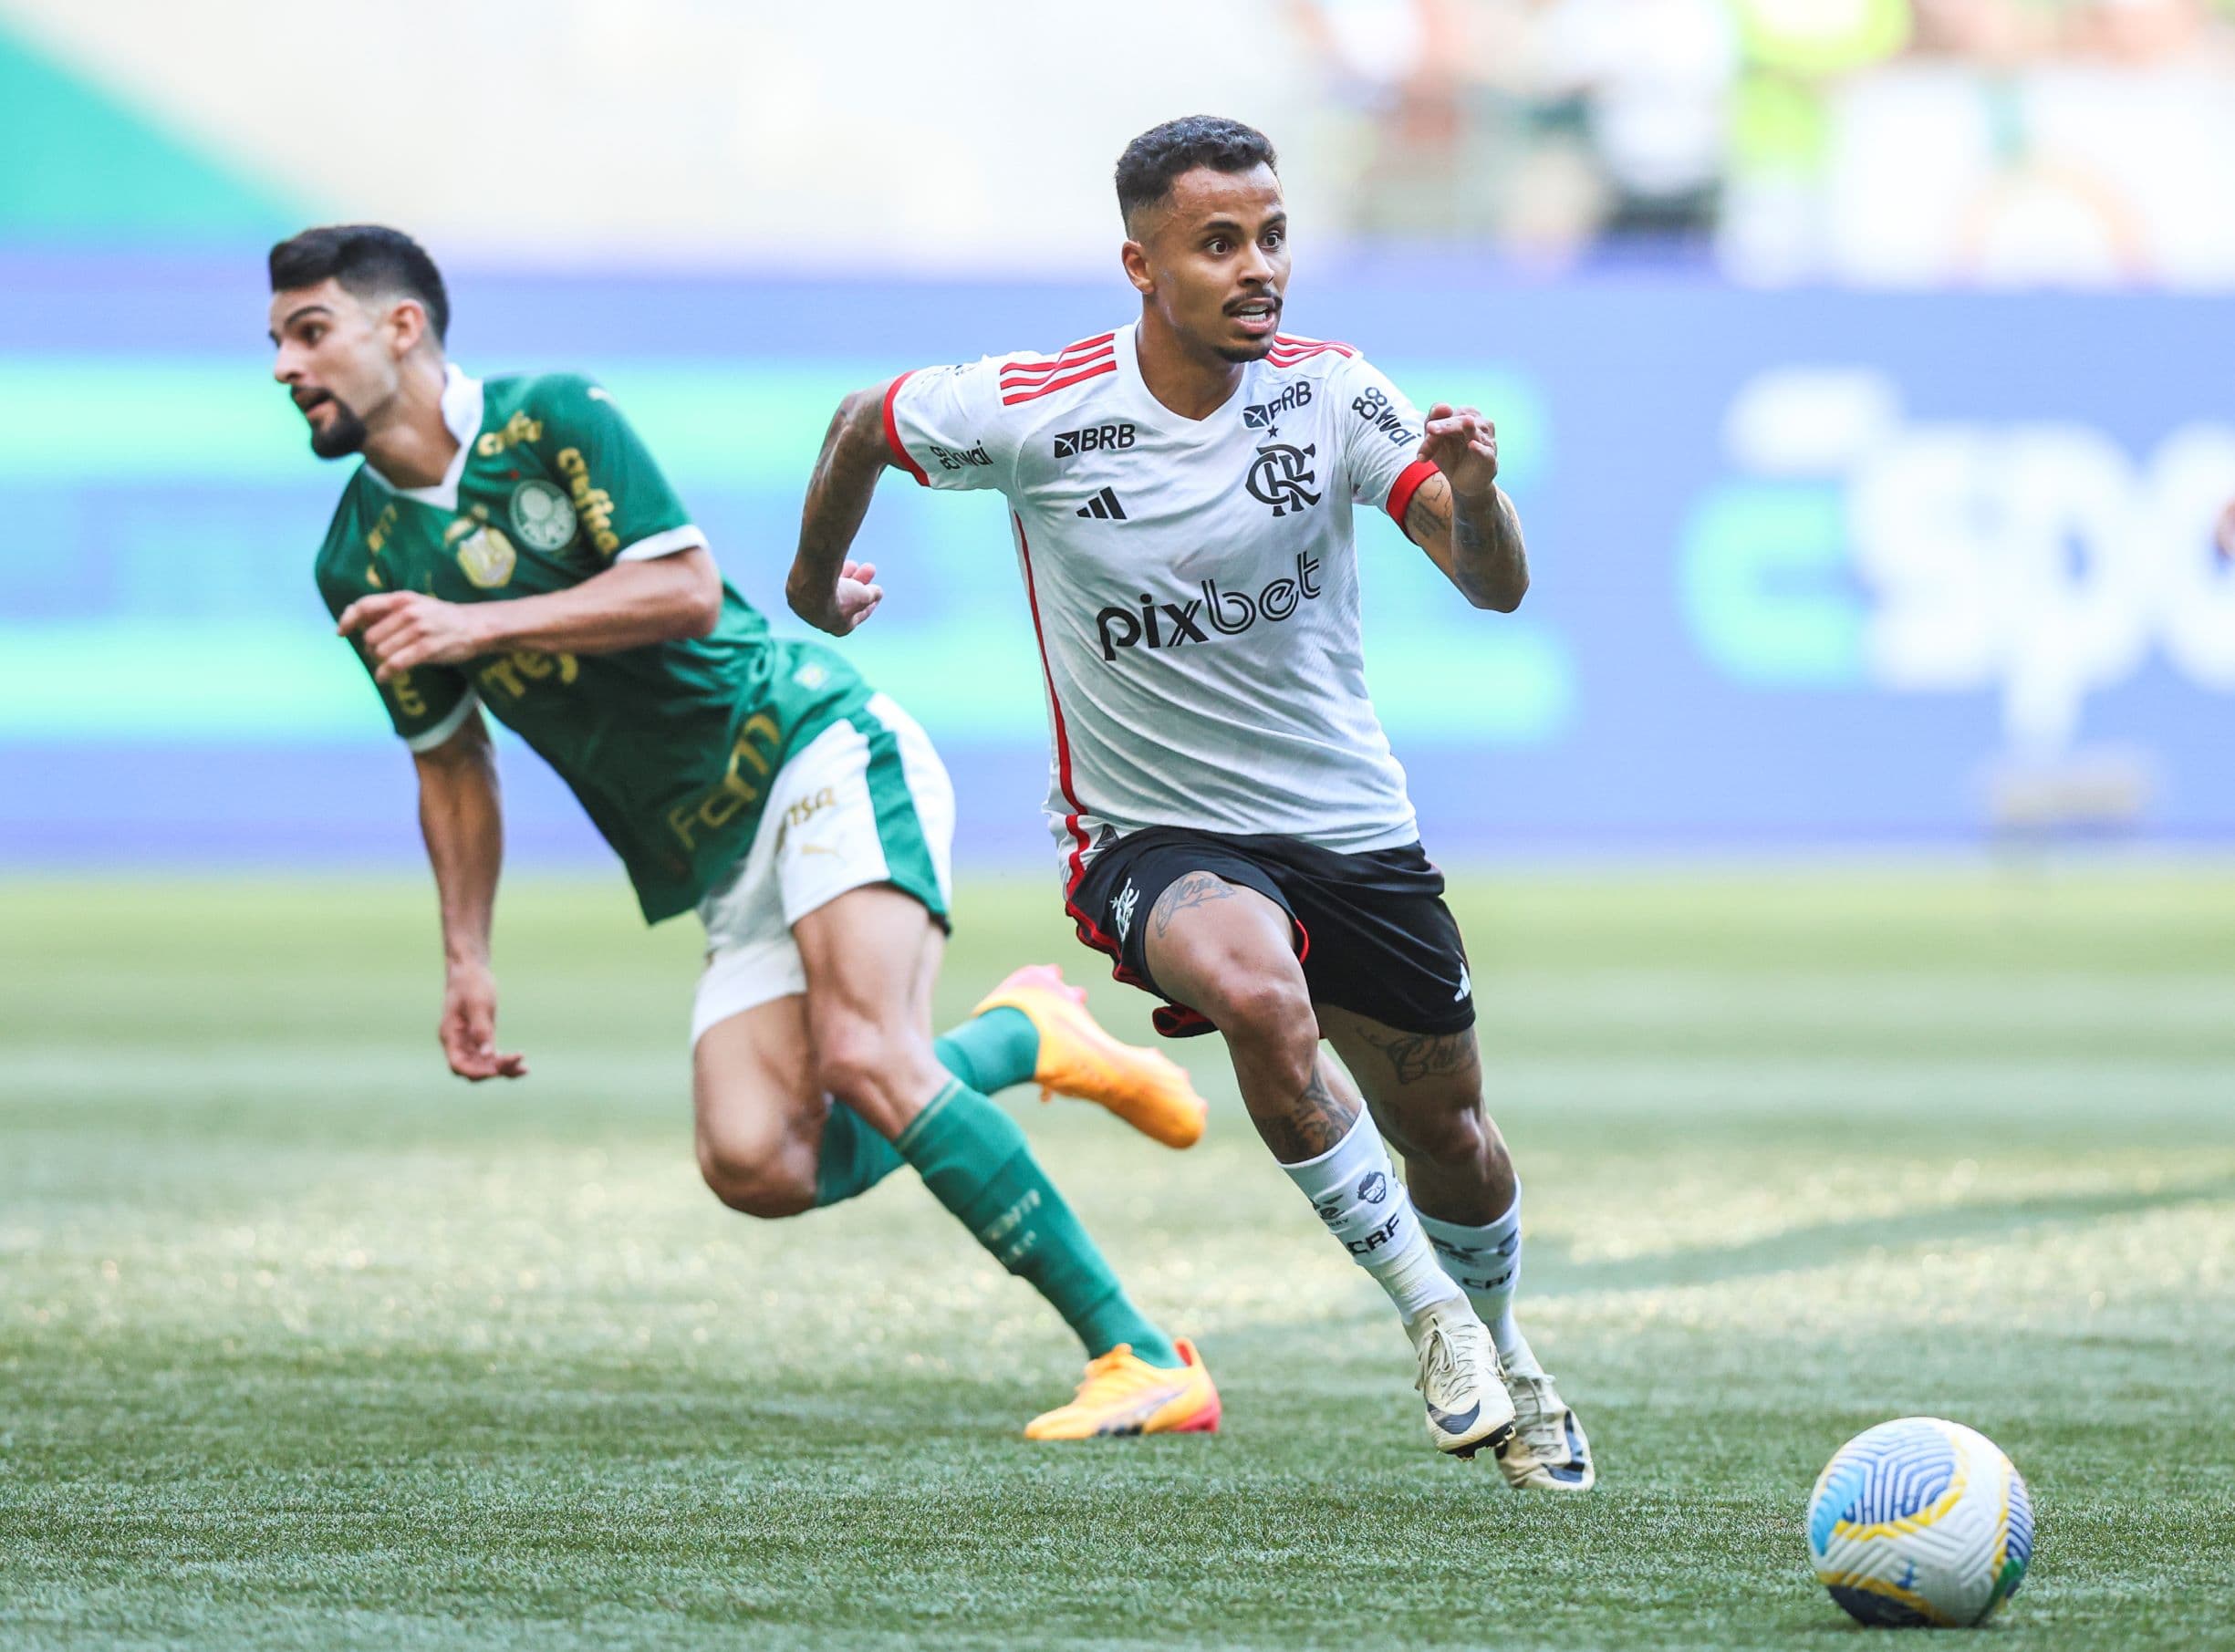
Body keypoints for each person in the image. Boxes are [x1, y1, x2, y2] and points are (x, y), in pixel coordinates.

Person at [269, 223, 1221, 1439]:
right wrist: (466, 955)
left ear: (399, 328)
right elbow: (451, 763)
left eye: (310, 333)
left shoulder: (552, 416)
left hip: (813, 744)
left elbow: (680, 590)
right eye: (277, 343)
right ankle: (1016, 1038)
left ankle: (1138, 1356)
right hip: (716, 853)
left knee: (871, 1056)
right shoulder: (354, 556)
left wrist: (473, 627)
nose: (287, 368)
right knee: (757, 1165)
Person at [788, 118, 1592, 1489]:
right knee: (1260, 997)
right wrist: (815, 589)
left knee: (1449, 1138)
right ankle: (1434, 1322)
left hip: (1346, 824)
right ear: (1140, 265)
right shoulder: (1041, 407)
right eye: (1218, 243)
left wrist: (1474, 493)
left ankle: (1511, 1350)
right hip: (1150, 835)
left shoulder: (1332, 394)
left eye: (1271, 235)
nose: (1256, 267)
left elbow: (1491, 583)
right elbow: (864, 421)